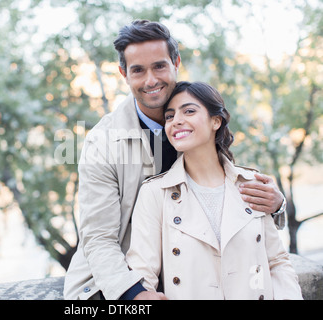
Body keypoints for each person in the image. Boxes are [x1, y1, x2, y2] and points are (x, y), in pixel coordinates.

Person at [63, 20, 286, 300]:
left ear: (175, 62)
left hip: (194, 273)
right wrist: (133, 293)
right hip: (119, 280)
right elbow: (98, 238)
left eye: (159, 66)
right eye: (138, 70)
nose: (151, 80)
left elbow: (223, 198)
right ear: (124, 73)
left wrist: (276, 205)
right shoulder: (102, 143)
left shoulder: (197, 116)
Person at [125, 81, 302, 300]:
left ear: (215, 121)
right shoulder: (155, 192)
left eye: (189, 111)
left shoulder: (250, 183)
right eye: (169, 116)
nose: (176, 121)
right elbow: (142, 272)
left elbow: (277, 262)